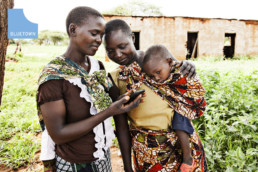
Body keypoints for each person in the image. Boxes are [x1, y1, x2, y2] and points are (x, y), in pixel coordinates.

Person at [36, 7, 142, 172]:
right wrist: (108, 112)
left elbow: (116, 100)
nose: (99, 40)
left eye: (101, 35)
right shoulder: (55, 77)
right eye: (94, 33)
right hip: (74, 164)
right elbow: (58, 134)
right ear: (73, 30)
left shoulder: (96, 67)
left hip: (103, 158)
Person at [105, 19, 208, 172]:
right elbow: (122, 127)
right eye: (110, 51)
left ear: (132, 38)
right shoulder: (115, 79)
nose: (118, 54)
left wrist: (188, 65)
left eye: (122, 46)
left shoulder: (157, 61)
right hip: (148, 153)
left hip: (182, 146)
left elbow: (181, 82)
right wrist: (127, 167)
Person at [142, 44, 206, 171]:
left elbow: (193, 88)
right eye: (152, 75)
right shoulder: (159, 75)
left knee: (179, 120)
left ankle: (187, 159)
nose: (156, 78)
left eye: (158, 72)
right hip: (175, 108)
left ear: (170, 62)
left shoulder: (181, 70)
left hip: (182, 106)